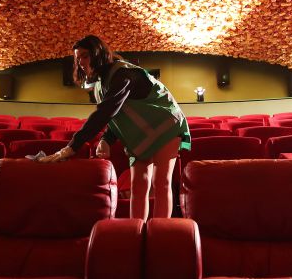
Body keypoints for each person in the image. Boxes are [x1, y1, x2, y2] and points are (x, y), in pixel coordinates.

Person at [39, 35, 191, 220]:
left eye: (85, 56)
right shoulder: (99, 85)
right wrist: (105, 139)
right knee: (138, 185)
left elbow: (107, 111)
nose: (80, 63)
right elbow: (118, 115)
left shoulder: (123, 73)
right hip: (142, 134)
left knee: (161, 183)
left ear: (98, 54)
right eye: (78, 58)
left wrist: (72, 146)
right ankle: (138, 231)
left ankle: (160, 233)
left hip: (166, 125)